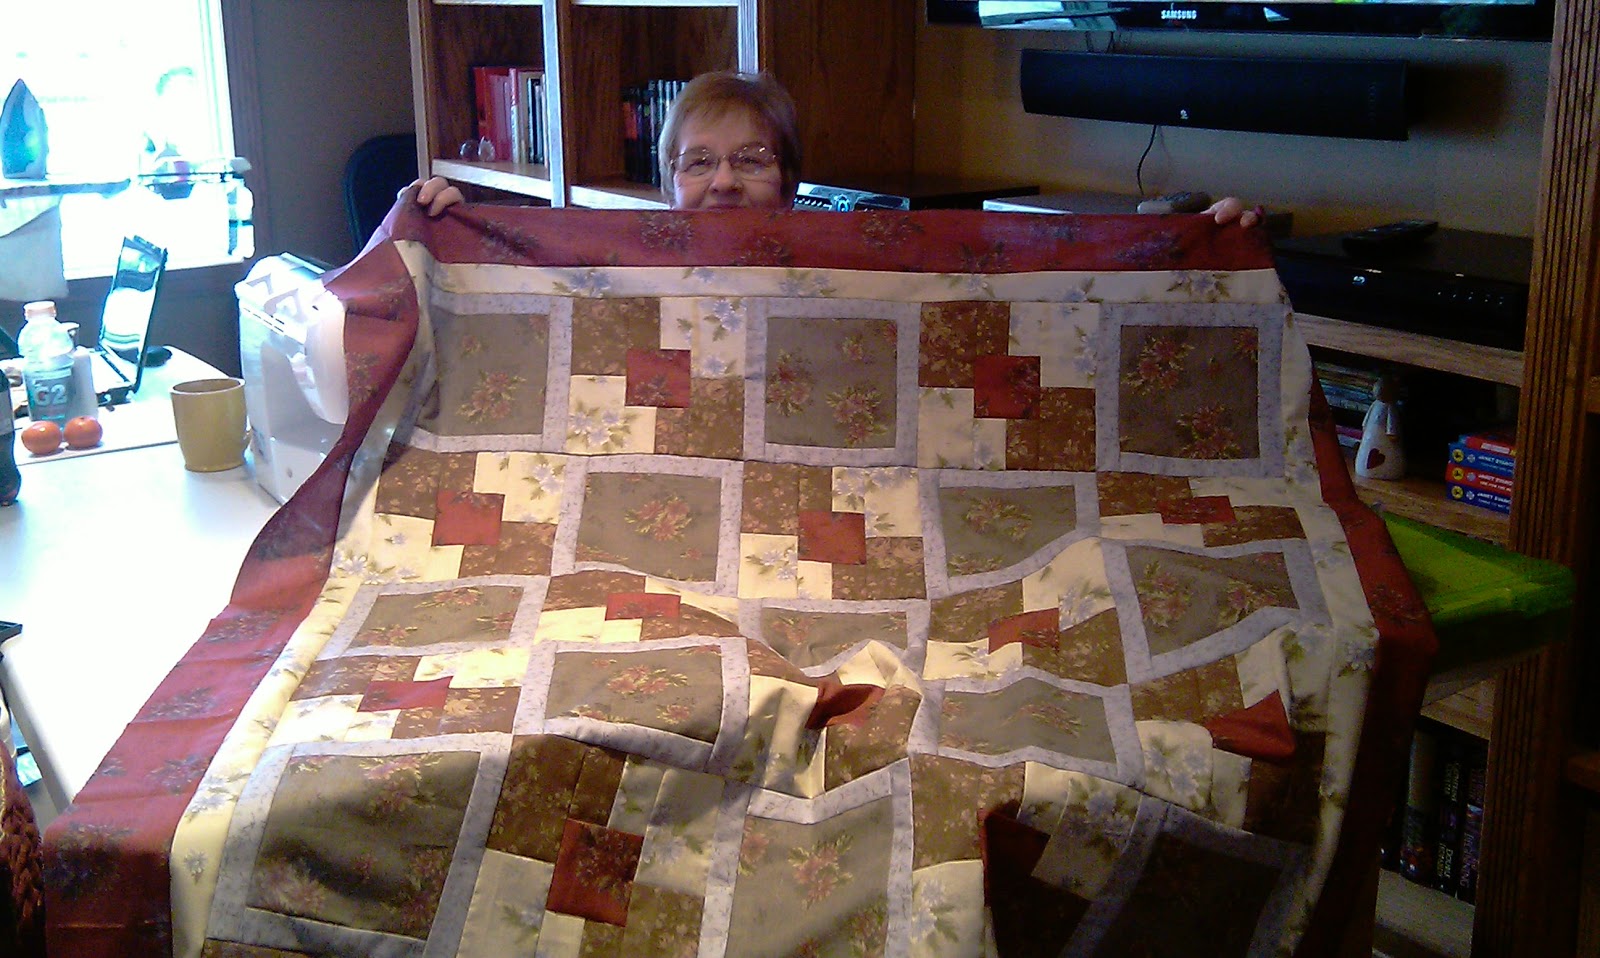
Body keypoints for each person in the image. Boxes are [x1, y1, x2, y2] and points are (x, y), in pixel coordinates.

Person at [411, 70, 1261, 225]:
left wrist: (1191, 252)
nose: (723, 181)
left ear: (790, 179)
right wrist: (452, 224)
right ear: (669, 182)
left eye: (751, 159)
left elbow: (1043, 297)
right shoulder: (612, 268)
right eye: (698, 162)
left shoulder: (864, 260)